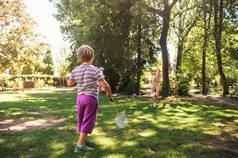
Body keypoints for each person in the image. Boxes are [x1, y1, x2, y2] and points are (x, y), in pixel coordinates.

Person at [67, 45, 112, 154]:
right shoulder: (95, 70)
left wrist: (76, 78)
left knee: (81, 120)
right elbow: (105, 85)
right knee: (87, 121)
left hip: (80, 98)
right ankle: (79, 146)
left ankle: (84, 139)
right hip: (90, 98)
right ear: (92, 57)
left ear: (79, 58)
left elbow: (69, 83)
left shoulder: (75, 70)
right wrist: (109, 92)